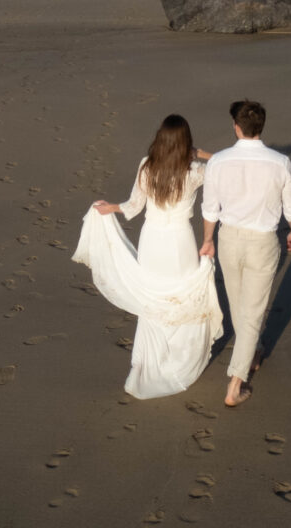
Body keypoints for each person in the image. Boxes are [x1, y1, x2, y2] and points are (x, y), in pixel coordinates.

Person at [72, 115, 223, 398]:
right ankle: (179, 357)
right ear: (185, 143)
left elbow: (133, 206)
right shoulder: (194, 170)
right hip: (180, 241)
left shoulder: (146, 165)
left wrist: (111, 208)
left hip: (152, 240)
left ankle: (148, 362)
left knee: (154, 298)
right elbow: (224, 165)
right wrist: (198, 152)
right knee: (183, 296)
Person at [200, 99, 291, 408]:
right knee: (252, 310)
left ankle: (246, 359)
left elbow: (209, 208)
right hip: (262, 241)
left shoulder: (219, 161)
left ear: (236, 126)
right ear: (261, 127)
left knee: (241, 306)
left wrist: (208, 240)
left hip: (229, 238)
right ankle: (236, 383)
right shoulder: (280, 162)